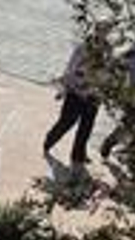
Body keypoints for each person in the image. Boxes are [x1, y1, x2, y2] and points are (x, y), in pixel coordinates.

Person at [43, 36, 102, 167]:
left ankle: (78, 155)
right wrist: (64, 88)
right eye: (101, 31)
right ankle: (49, 141)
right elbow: (71, 69)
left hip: (94, 96)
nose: (103, 35)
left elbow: (108, 73)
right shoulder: (83, 48)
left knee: (86, 127)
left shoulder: (107, 51)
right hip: (76, 93)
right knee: (67, 122)